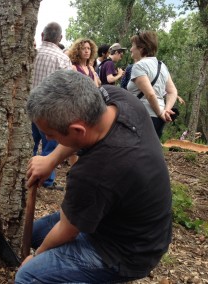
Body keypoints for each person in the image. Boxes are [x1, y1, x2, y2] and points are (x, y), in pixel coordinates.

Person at [15, 70, 172, 283]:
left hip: (127, 251)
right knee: (35, 233)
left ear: (78, 130)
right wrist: (51, 160)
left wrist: (35, 257)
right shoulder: (114, 97)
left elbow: (67, 230)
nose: (47, 139)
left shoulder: (95, 172)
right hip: (125, 219)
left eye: (50, 135)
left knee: (28, 276)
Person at [31, 22, 72, 191]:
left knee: (30, 143)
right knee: (50, 145)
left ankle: (28, 173)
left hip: (28, 106)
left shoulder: (31, 54)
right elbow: (68, 88)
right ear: (60, 38)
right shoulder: (62, 58)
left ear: (42, 35)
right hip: (50, 111)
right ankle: (46, 180)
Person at [127, 31, 178, 138]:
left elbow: (150, 94)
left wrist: (160, 113)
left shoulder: (139, 66)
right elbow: (172, 91)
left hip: (141, 117)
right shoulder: (161, 65)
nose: (131, 49)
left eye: (132, 46)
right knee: (150, 152)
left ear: (141, 48)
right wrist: (166, 110)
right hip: (158, 119)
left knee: (135, 152)